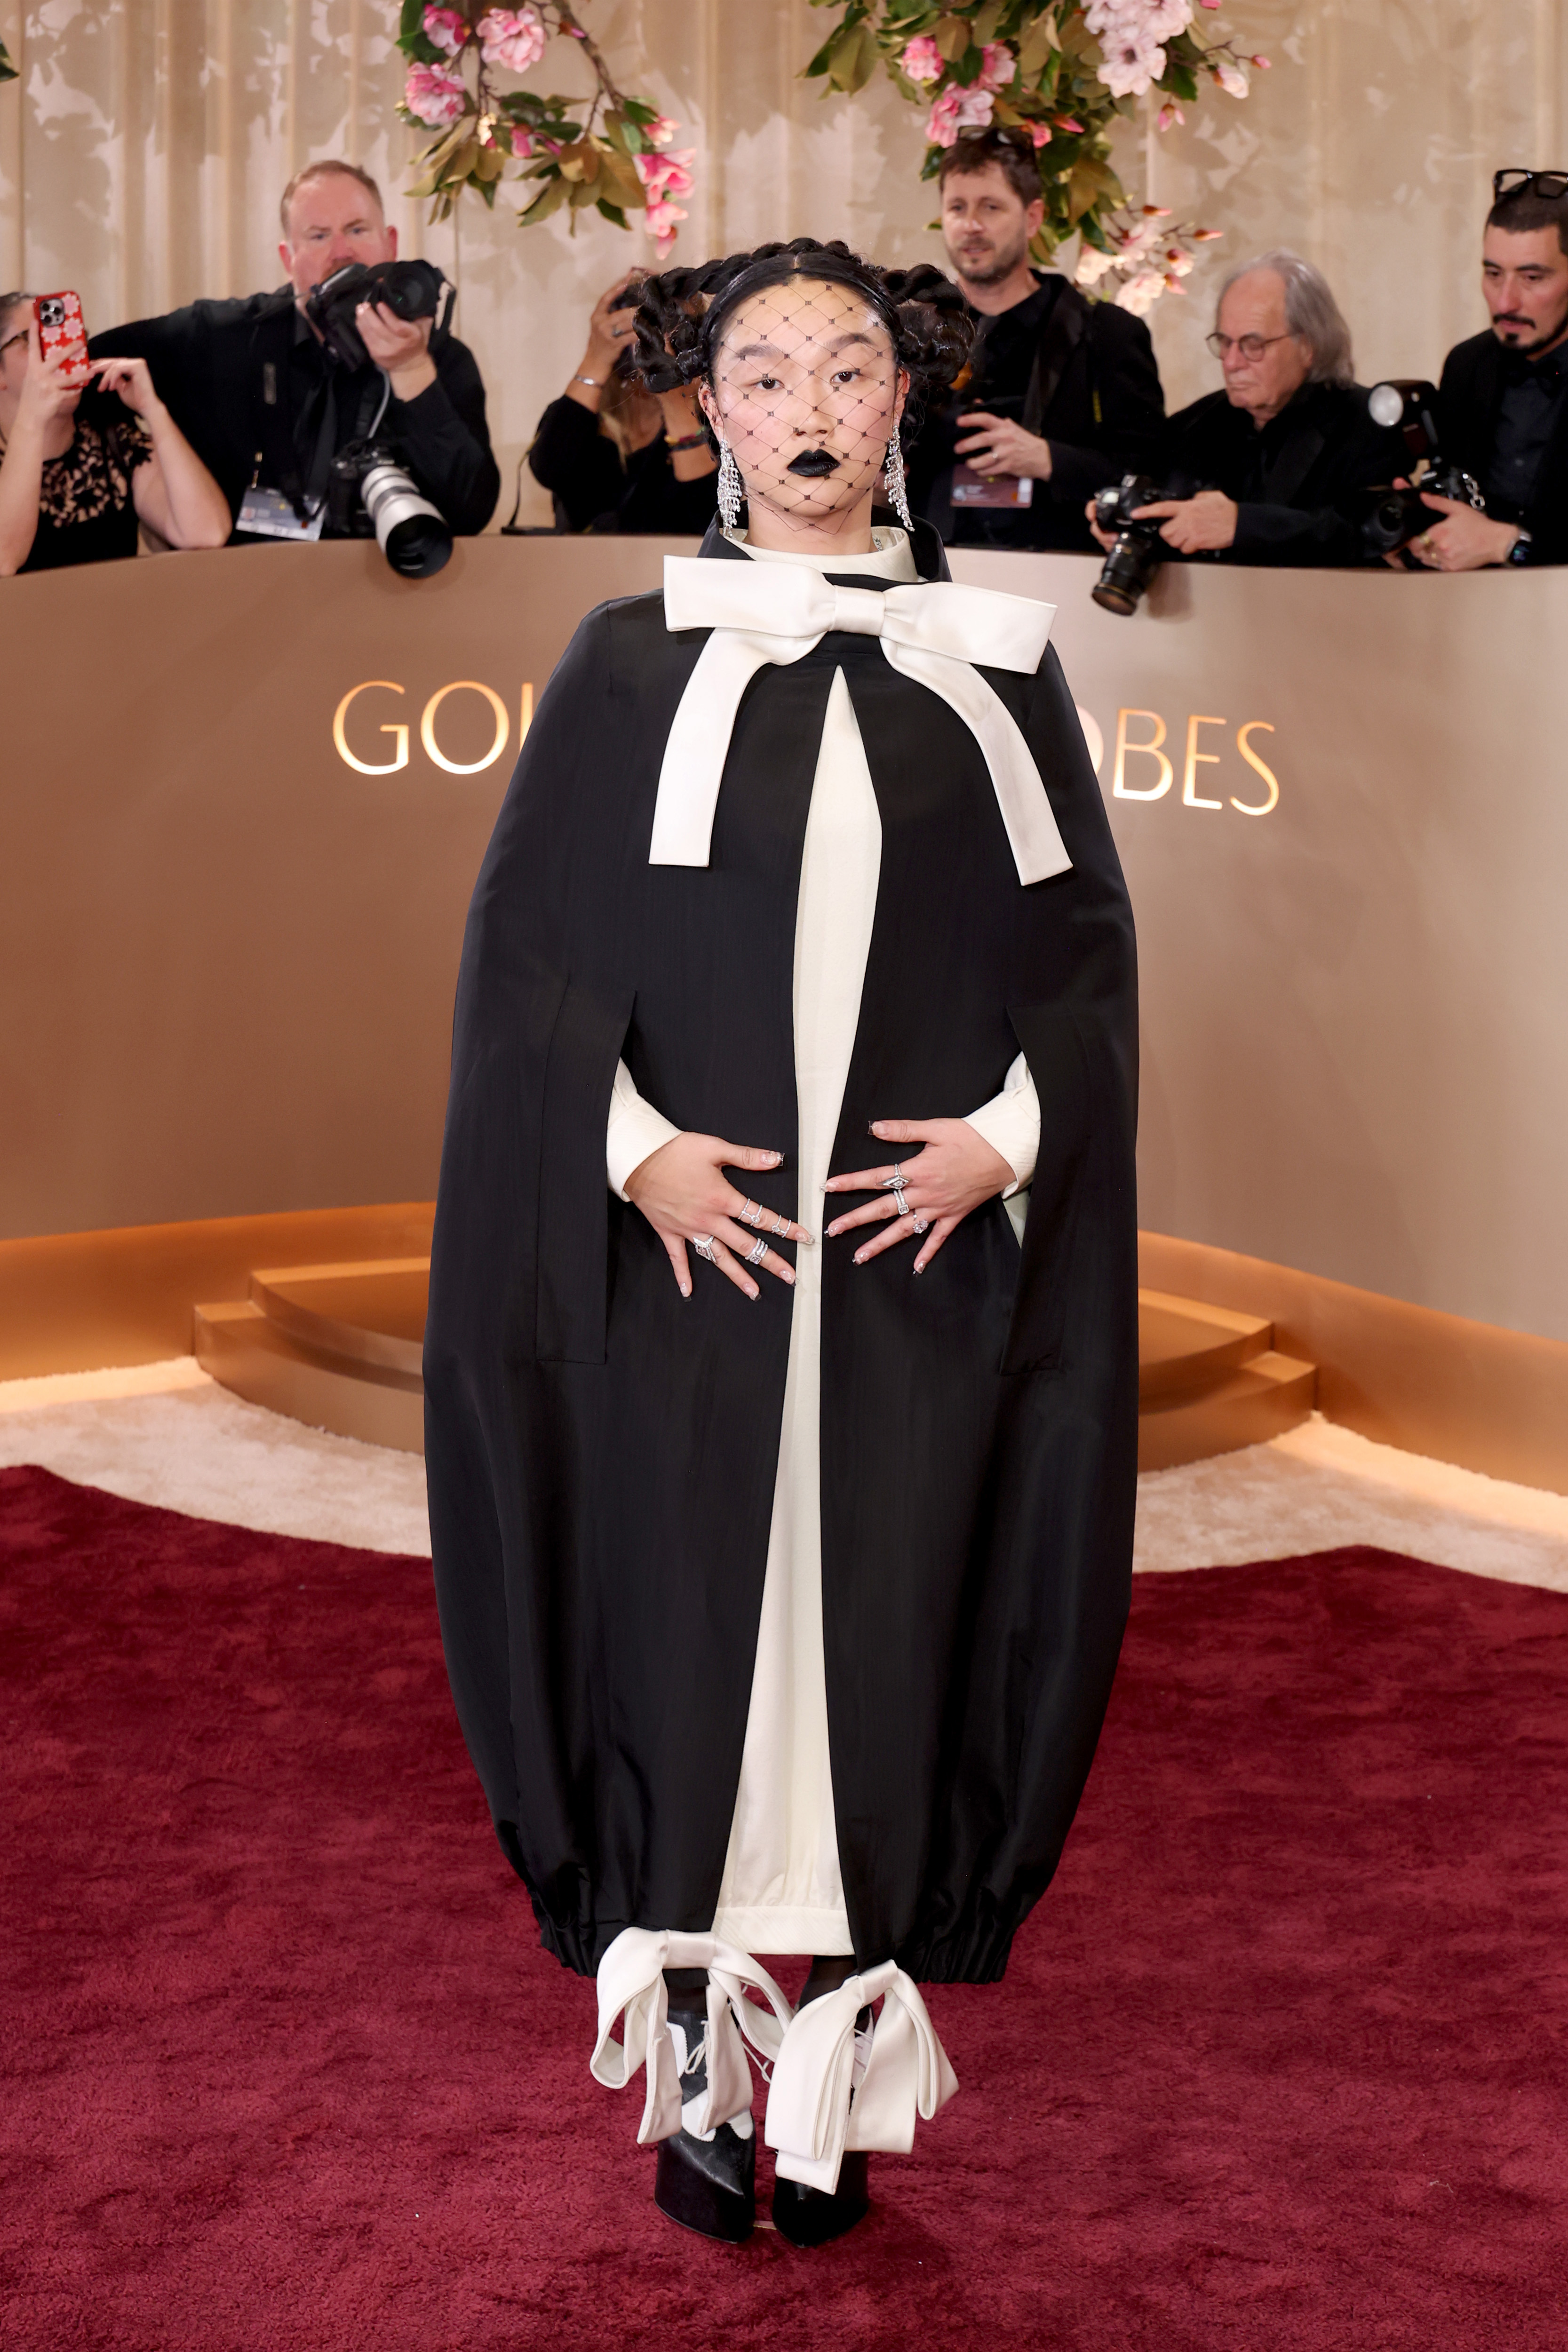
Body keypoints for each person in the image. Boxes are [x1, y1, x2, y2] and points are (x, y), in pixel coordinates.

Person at [423, 237, 1138, 2250]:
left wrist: (1000, 1145)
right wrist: (631, 1150)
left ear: (894, 401)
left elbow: (1083, 970)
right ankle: (706, 2062)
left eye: (844, 370)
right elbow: (528, 967)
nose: (809, 407)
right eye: (764, 374)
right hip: (695, 1275)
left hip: (912, 1282)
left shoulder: (997, 663)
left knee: (877, 1637)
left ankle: (840, 2038)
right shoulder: (620, 661)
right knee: (690, 1634)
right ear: (709, 409)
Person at [90, 160, 499, 542]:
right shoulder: (224, 336)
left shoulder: (438, 356)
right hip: (246, 593)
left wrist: (410, 371)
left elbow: (472, 514)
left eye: (357, 230)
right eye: (319, 236)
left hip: (390, 597)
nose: (342, 252)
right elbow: (83, 375)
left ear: (389, 244)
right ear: (289, 258)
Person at [905, 127, 1164, 551]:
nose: (971, 225)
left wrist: (1049, 460)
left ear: (1032, 218)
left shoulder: (1107, 333)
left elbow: (1150, 472)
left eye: (991, 207)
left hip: (1058, 571)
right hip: (934, 568)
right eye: (957, 207)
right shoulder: (913, 332)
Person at [1089, 250, 1406, 565]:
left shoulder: (1369, 422)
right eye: (1225, 342)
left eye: (1253, 345)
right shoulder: (1192, 426)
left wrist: (1241, 526)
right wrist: (1126, 525)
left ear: (1308, 346)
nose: (1231, 363)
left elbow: (1365, 535)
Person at [0, 295, 230, 573]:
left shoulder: (114, 444)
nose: (58, 352)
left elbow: (207, 533)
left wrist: (154, 412)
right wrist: (32, 420)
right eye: (33, 340)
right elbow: (4, 559)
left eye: (66, 336)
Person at [1417, 169, 1568, 570]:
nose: (1505, 302)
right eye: (1493, 273)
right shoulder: (1467, 365)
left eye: (1532, 277)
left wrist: (1508, 544)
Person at [527, 267, 717, 533]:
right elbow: (549, 470)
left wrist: (676, 398)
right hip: (582, 570)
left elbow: (707, 514)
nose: (645, 346)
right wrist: (596, 360)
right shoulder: (584, 415)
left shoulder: (716, 421)